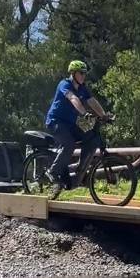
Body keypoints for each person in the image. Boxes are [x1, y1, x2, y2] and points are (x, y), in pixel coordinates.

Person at [44, 60, 112, 194]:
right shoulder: (65, 84)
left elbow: (92, 101)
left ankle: (80, 174)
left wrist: (103, 115)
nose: (83, 76)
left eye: (85, 74)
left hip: (70, 124)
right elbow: (73, 99)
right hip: (55, 122)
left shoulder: (82, 88)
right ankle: (52, 172)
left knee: (92, 138)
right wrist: (84, 113)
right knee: (69, 144)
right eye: (81, 73)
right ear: (73, 73)